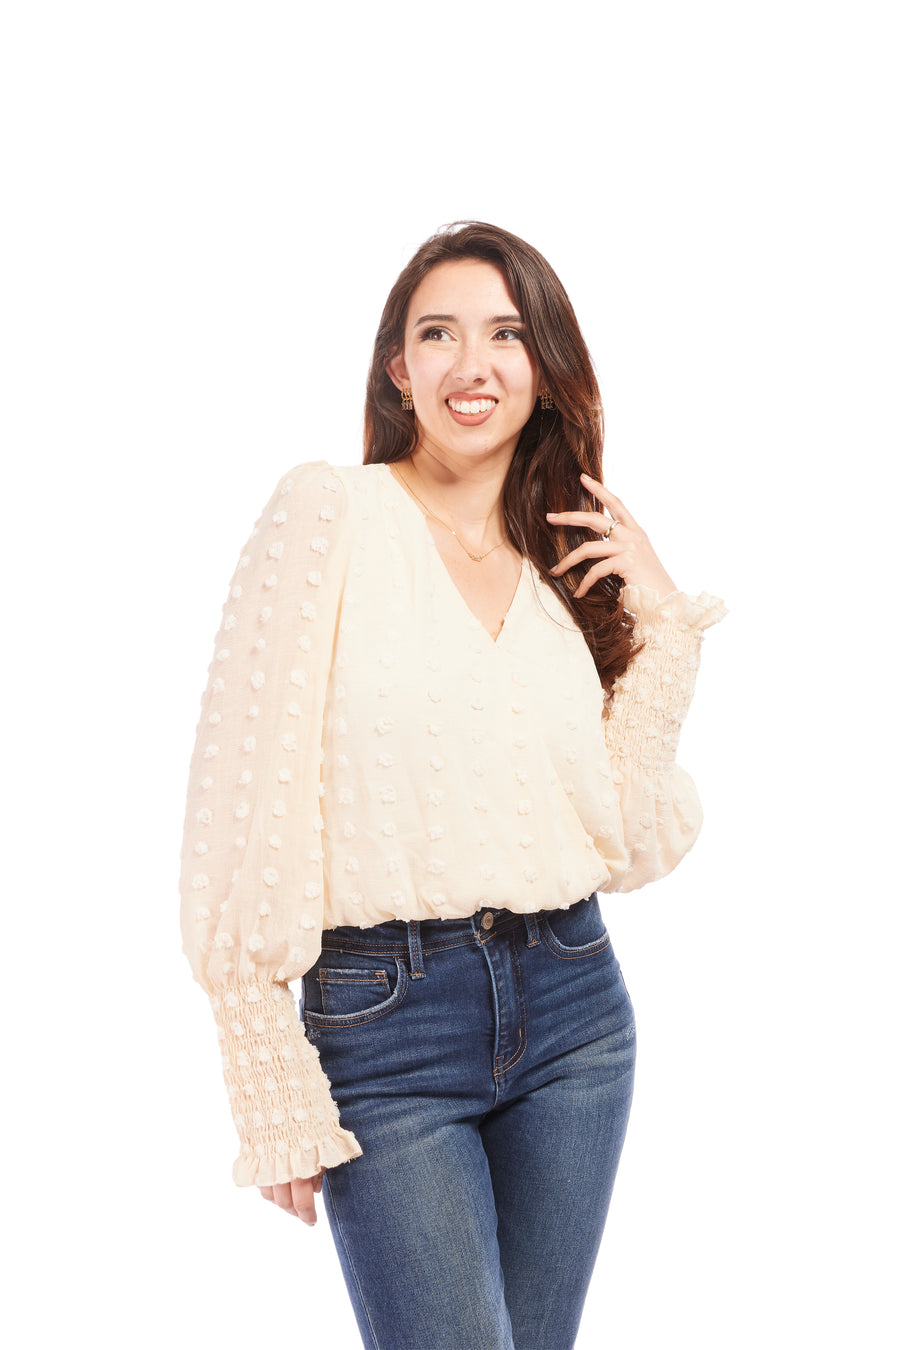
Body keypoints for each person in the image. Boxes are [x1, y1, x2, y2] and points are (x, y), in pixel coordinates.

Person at [179, 220, 726, 1350]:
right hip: (386, 1025)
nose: (471, 364)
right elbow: (244, 791)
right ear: (399, 366)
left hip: (576, 1012)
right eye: (439, 334)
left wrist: (665, 625)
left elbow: (620, 840)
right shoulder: (328, 514)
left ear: (547, 367)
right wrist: (263, 1063)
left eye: (506, 334)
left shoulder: (561, 566)